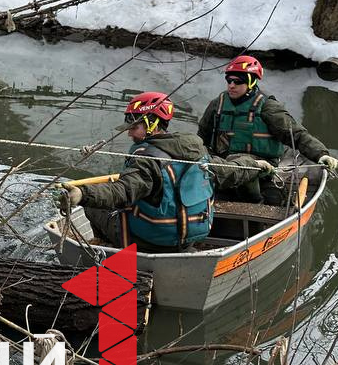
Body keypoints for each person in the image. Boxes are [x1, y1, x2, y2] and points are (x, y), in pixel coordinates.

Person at [60, 92, 271, 251]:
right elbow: (232, 171)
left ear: (152, 124)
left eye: (134, 127)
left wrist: (82, 194)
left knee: (95, 207)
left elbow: (122, 191)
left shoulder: (146, 160)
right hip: (192, 236)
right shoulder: (198, 153)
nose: (129, 133)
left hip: (152, 239)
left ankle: (109, 249)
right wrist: (256, 165)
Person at [197, 55, 338, 204]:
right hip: (225, 168)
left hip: (264, 170)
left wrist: (321, 155)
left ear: (251, 82)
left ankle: (256, 201)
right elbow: (202, 138)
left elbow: (296, 134)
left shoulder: (267, 106)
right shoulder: (217, 104)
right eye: (229, 81)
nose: (231, 85)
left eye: (238, 82)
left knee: (272, 200)